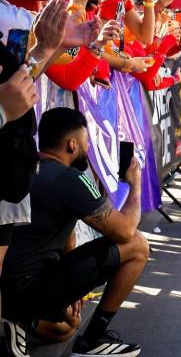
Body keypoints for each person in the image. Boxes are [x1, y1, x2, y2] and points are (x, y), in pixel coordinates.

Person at [1, 108, 147, 357]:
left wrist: (74, 287)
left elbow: (61, 229)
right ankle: (93, 340)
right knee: (137, 245)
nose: (87, 147)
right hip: (29, 287)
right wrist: (135, 187)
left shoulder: (23, 170)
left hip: (9, 286)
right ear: (72, 144)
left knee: (67, 326)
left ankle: (18, 322)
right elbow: (125, 231)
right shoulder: (69, 178)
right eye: (86, 141)